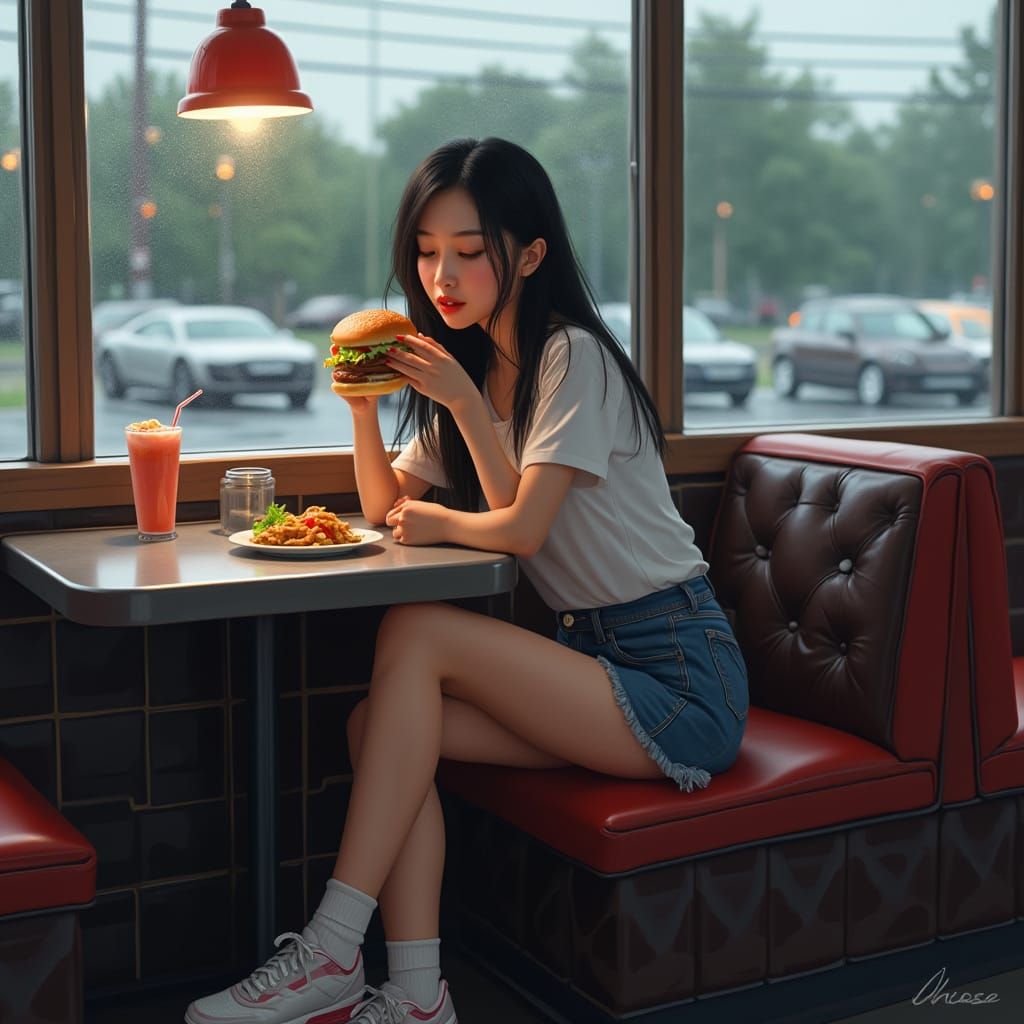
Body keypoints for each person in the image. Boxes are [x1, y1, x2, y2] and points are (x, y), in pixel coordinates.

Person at [186, 137, 749, 1024]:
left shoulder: (571, 359)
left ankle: (332, 947)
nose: (441, 275)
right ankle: (418, 994)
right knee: (377, 726)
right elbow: (385, 507)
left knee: (417, 629)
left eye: (469, 251)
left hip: (680, 672)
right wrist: (364, 412)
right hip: (593, 662)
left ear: (528, 254)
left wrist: (457, 431)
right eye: (425, 251)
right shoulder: (474, 369)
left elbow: (520, 528)